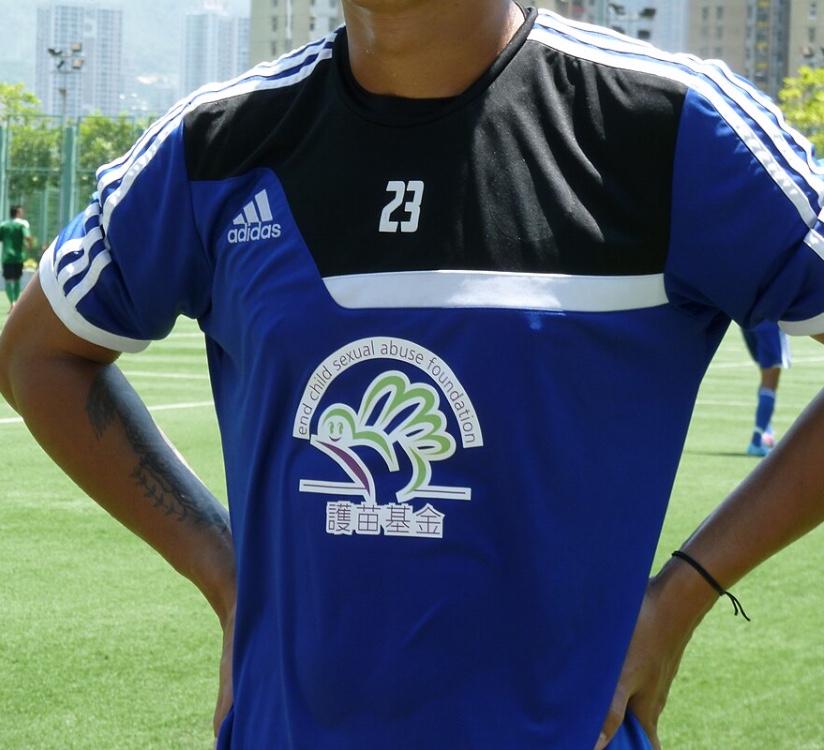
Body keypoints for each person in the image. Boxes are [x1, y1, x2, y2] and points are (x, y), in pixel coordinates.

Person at [2, 3, 824, 748]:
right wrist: (223, 572)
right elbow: (37, 354)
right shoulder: (214, 145)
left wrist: (682, 596)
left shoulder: (669, 126)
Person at [741, 321, 791, 456]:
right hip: (770, 324)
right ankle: (756, 441)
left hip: (748, 323)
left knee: (765, 378)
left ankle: (766, 432)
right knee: (770, 380)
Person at [0, 205, 32, 312]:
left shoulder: (4, 225)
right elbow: (27, 237)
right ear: (18, 213)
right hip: (19, 257)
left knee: (8, 280)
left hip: (7, 257)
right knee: (17, 279)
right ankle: (16, 303)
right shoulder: (23, 224)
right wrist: (29, 244)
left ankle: (12, 302)